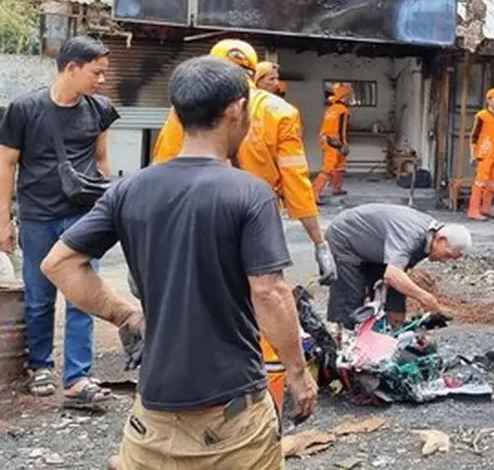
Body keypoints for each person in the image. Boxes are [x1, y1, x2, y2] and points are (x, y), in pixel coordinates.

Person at [41, 56, 317, 468]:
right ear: (237, 109)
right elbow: (269, 292)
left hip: (152, 418)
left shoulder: (129, 189)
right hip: (232, 417)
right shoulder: (249, 193)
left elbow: (58, 264)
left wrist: (126, 315)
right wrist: (297, 371)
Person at [153, 41, 334, 283]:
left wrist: (151, 247)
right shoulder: (280, 111)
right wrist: (319, 242)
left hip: (199, 213)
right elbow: (295, 180)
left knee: (201, 284)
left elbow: (164, 170)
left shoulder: (186, 108)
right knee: (263, 287)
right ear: (253, 72)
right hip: (259, 214)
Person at [0, 36, 117, 406]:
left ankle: (78, 376)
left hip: (84, 217)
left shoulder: (100, 109)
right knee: (39, 297)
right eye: (96, 73)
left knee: (84, 297)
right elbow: (6, 164)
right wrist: (3, 220)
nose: (102, 80)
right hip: (37, 217)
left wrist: (107, 210)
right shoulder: (24, 108)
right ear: (71, 68)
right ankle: (40, 366)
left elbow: (101, 160)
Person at [324, 204, 471, 328]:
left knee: (395, 288)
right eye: (447, 255)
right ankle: (342, 337)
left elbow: (396, 280)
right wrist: (426, 298)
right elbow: (392, 275)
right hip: (346, 236)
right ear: (441, 240)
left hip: (374, 246)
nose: (444, 261)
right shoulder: (412, 237)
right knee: (352, 294)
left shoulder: (429, 239)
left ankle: (390, 332)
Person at [468, 87, 494, 221]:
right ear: (488, 101)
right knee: (480, 182)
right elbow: (474, 136)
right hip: (484, 153)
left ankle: (486, 208)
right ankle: (473, 210)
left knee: (493, 182)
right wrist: (472, 153)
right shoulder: (481, 116)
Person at [313, 83, 351, 201]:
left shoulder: (330, 109)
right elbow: (342, 128)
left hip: (326, 139)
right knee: (328, 167)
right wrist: (344, 144)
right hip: (335, 141)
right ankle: (314, 194)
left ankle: (336, 189)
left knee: (340, 164)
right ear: (343, 96)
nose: (350, 98)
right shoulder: (343, 110)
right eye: (348, 96)